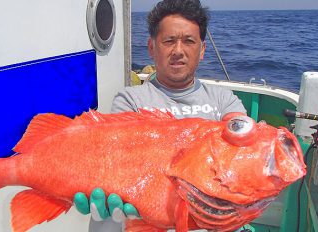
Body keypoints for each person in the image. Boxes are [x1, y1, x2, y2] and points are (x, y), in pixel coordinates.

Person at [74, 0, 247, 231]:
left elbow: (243, 140)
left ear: (202, 50)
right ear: (152, 47)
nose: (178, 50)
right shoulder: (130, 100)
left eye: (188, 41)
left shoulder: (224, 100)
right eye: (168, 41)